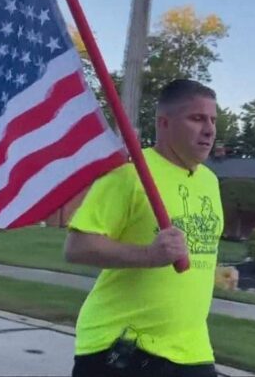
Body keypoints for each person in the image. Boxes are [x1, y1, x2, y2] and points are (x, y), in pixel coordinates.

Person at [64, 79, 222, 376]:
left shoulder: (210, 182)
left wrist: (215, 272)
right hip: (125, 347)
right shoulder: (129, 172)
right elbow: (77, 246)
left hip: (192, 348)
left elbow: (196, 248)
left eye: (213, 120)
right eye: (197, 118)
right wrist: (150, 256)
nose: (209, 129)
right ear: (164, 123)